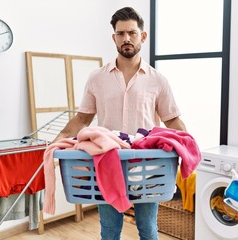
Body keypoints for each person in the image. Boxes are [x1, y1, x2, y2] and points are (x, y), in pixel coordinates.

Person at [53, 6, 186, 240]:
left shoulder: (158, 80)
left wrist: (189, 147)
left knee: (148, 228)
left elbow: (172, 120)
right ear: (114, 37)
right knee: (110, 229)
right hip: (107, 164)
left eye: (132, 33)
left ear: (142, 36)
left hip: (147, 167)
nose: (126, 39)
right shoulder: (97, 78)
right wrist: (54, 145)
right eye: (121, 33)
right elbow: (82, 119)